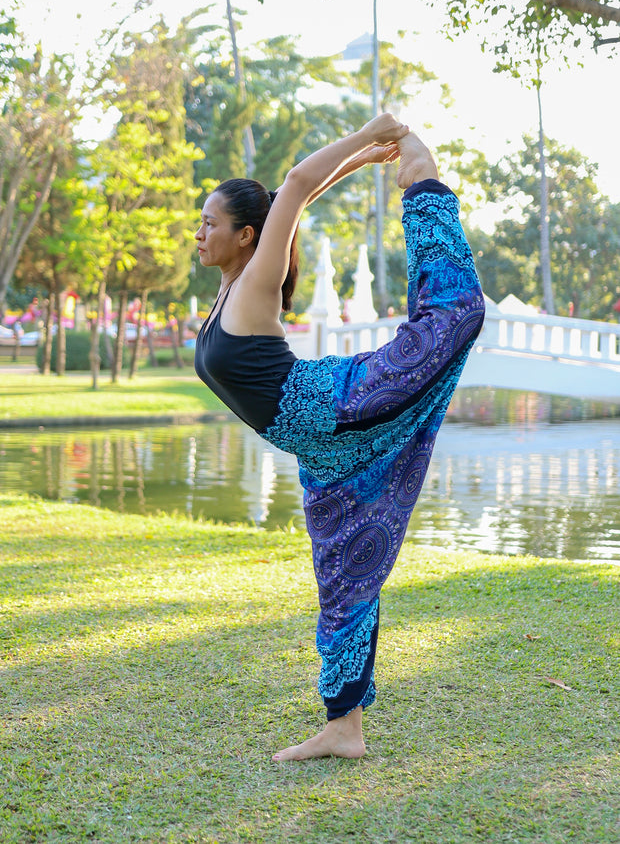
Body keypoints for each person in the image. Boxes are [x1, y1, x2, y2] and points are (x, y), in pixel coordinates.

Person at [194, 114, 485, 762]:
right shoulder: (227, 291)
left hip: (341, 405)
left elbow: (295, 186)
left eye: (210, 222)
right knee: (342, 576)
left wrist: (372, 135)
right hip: (320, 446)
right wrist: (358, 161)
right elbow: (293, 201)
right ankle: (343, 727)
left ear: (246, 236)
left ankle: (423, 182)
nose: (199, 233)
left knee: (450, 317)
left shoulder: (253, 289)